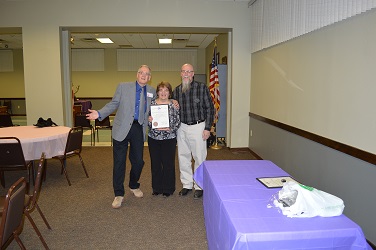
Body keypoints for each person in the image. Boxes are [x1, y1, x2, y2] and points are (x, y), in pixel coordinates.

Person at [86, 65, 156, 209]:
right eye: (141, 73)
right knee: (119, 162)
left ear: (149, 78)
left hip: (138, 127)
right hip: (122, 127)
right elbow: (114, 103)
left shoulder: (151, 91)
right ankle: (118, 194)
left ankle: (133, 184)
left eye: (147, 74)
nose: (144, 75)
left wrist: (168, 105)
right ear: (137, 75)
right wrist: (99, 113)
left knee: (138, 161)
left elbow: (154, 108)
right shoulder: (123, 87)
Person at [172, 63, 215, 199]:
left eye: (189, 72)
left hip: (198, 127)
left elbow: (210, 109)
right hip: (182, 127)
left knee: (199, 157)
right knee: (183, 156)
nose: (186, 74)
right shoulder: (177, 91)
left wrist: (208, 128)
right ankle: (186, 184)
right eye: (184, 71)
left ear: (193, 74)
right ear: (180, 73)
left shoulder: (202, 88)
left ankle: (199, 185)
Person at [148, 81, 181, 197]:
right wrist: (149, 120)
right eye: (161, 90)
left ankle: (168, 188)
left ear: (169, 93)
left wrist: (170, 128)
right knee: (155, 163)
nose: (163, 93)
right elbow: (146, 120)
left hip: (169, 138)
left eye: (166, 90)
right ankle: (157, 188)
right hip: (154, 138)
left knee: (168, 164)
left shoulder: (174, 105)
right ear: (157, 92)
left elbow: (178, 122)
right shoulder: (151, 104)